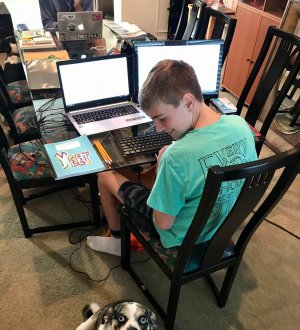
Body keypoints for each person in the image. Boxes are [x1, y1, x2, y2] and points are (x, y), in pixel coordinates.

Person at [87, 59, 258, 256]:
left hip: (180, 238)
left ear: (188, 102)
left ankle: (118, 241)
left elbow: (163, 223)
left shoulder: (176, 156)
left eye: (162, 118)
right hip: (220, 223)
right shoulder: (241, 125)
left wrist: (162, 168)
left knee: (106, 175)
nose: (159, 128)